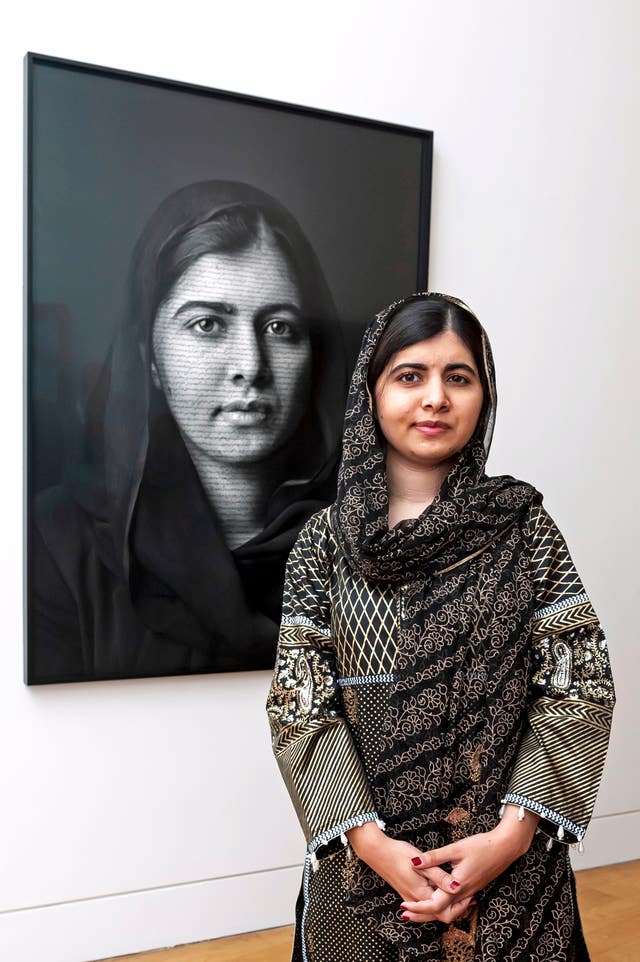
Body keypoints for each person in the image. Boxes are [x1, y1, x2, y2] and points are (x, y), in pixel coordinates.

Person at [267, 292, 615, 961]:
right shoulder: (324, 544)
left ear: (483, 396)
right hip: (361, 879)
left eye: (459, 377)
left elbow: (581, 686)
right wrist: (373, 845)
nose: (435, 398)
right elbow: (299, 706)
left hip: (512, 881)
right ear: (371, 391)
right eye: (410, 375)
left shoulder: (523, 528)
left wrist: (510, 837)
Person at [29, 180, 346, 683]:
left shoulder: (366, 542)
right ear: (149, 358)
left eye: (279, 327)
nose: (250, 365)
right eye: (207, 325)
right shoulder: (55, 546)